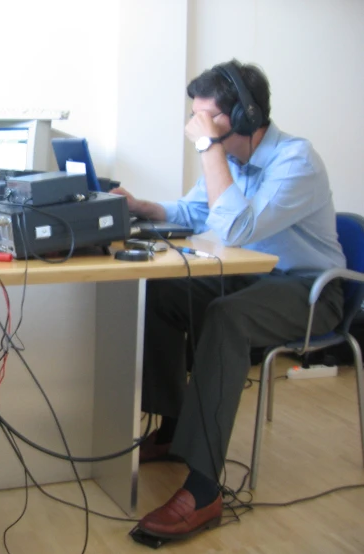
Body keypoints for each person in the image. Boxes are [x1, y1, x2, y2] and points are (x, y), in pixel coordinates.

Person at [111, 59, 345, 541]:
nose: (197, 125)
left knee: (226, 318)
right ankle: (174, 426)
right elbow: (198, 211)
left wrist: (207, 147)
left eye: (207, 116)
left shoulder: (296, 160)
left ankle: (203, 489)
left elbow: (236, 227)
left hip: (310, 289)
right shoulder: (232, 161)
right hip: (252, 278)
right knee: (159, 288)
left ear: (244, 117)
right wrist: (144, 208)